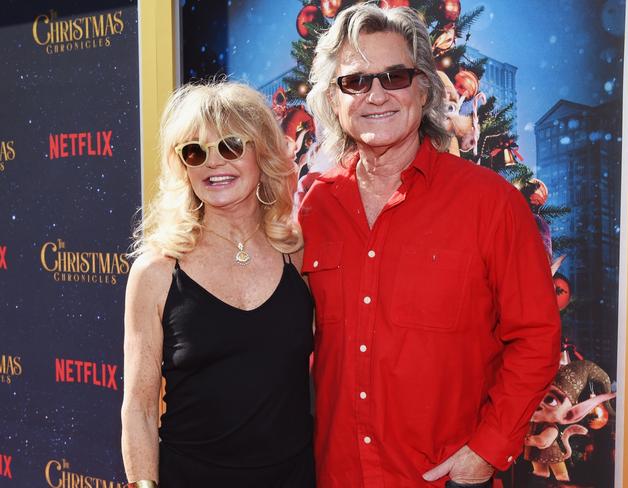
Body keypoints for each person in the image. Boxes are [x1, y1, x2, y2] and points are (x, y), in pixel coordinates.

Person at [300, 4, 561, 488]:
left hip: (443, 478)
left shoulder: (491, 203)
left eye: (394, 76)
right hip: (336, 474)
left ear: (423, 88)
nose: (375, 94)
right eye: (355, 81)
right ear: (334, 100)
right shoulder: (314, 206)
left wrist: (487, 449)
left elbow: (536, 338)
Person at [121, 81, 315, 487]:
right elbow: (138, 408)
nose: (213, 163)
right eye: (195, 152)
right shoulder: (156, 271)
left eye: (230, 146)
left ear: (261, 152)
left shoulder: (295, 253)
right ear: (183, 167)